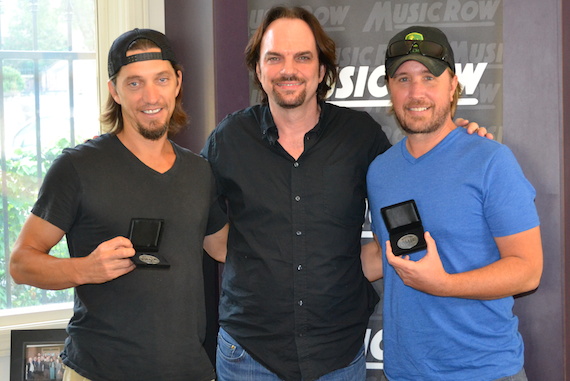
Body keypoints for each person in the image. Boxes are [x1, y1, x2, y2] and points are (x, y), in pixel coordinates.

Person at [202, 6, 489, 381]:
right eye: (275, 58)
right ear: (258, 68)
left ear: (321, 70)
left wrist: (458, 143)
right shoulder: (228, 139)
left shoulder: (361, 136)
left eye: (303, 57)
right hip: (249, 354)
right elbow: (211, 235)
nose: (289, 70)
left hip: (336, 355)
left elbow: (412, 196)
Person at [9, 28, 228, 381]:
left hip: (188, 370)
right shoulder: (78, 167)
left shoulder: (199, 171)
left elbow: (223, 247)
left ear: (177, 82)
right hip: (99, 371)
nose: (150, 95)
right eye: (135, 83)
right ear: (115, 90)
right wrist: (85, 269)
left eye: (161, 79)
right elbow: (21, 263)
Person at [365, 26, 543, 381]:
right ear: (389, 88)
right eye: (402, 79)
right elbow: (382, 254)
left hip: (485, 372)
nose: (416, 92)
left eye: (429, 77)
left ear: (453, 85)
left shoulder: (491, 161)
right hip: (403, 372)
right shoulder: (381, 170)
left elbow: (528, 271)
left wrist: (443, 283)